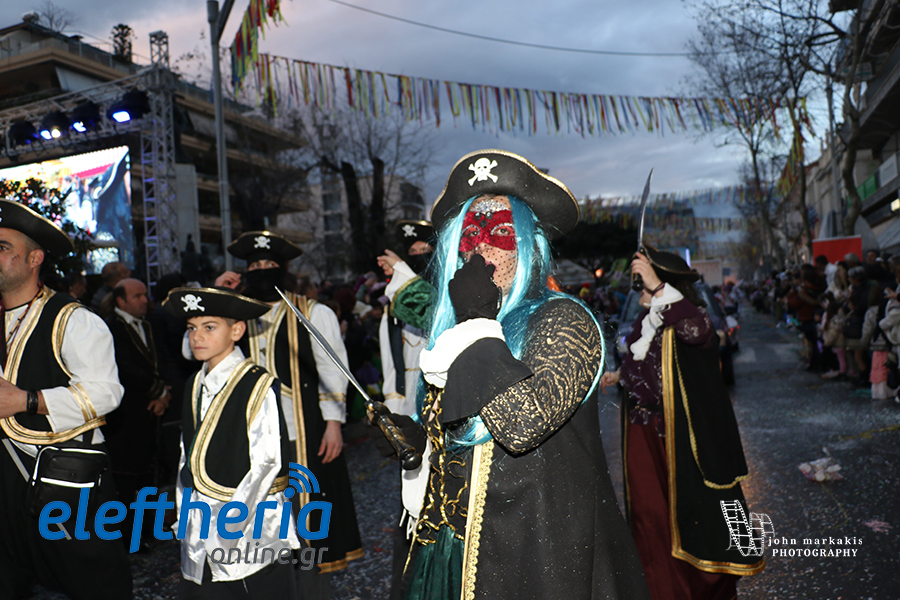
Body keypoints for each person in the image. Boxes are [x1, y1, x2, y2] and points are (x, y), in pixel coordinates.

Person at [390, 150, 649, 599]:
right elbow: (463, 439)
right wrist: (421, 444)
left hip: (534, 558)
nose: (481, 247)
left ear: (528, 245)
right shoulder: (456, 330)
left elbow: (522, 423)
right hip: (450, 553)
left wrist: (476, 320)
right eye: (470, 234)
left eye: (501, 232)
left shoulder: (564, 319)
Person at [601, 246, 764, 600]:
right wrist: (619, 376)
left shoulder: (689, 317)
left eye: (645, 284)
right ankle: (661, 588)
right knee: (650, 517)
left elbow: (699, 332)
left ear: (665, 284)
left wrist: (658, 286)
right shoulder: (644, 322)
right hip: (644, 432)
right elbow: (643, 366)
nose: (639, 290)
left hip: (681, 438)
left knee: (691, 517)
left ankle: (696, 589)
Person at [216, 231, 362, 593]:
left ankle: (311, 590)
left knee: (306, 517)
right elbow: (195, 352)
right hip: (250, 438)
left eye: (269, 264)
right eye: (254, 265)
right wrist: (218, 298)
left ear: (283, 268)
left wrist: (334, 424)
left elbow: (333, 370)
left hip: (303, 432)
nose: (261, 270)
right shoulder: (235, 316)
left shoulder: (314, 312)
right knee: (260, 521)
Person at [0, 199, 131, 599]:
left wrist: (28, 401)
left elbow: (106, 391)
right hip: (4, 482)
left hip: (64, 482)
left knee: (94, 585)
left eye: (3, 247)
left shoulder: (73, 318)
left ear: (34, 258)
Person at [163, 286, 301, 599]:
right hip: (200, 520)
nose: (197, 337)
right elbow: (188, 454)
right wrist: (184, 512)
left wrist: (229, 527)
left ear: (237, 331)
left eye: (209, 327)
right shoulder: (195, 383)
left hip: (248, 524)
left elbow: (266, 463)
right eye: (192, 328)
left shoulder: (257, 384)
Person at [376, 219, 435, 600]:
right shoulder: (393, 304)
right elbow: (391, 361)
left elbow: (428, 310)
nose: (417, 257)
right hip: (409, 407)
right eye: (410, 253)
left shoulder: (444, 294)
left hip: (440, 406)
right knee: (410, 499)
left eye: (423, 251)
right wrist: (393, 411)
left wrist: (402, 274)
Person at [103, 278, 171, 547]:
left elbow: (161, 361)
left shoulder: (147, 325)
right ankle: (129, 536)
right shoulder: (110, 328)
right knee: (126, 478)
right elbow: (123, 368)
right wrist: (158, 391)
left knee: (149, 473)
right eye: (137, 296)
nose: (145, 300)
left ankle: (149, 528)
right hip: (125, 415)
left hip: (148, 411)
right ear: (121, 301)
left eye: (145, 295)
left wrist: (164, 394)